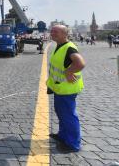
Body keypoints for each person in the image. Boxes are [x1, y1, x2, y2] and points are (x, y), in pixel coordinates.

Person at [46, 25, 86, 153]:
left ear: (65, 34)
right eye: (52, 31)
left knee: (68, 115)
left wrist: (69, 72)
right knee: (61, 112)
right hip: (60, 88)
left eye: (56, 31)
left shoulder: (69, 48)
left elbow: (80, 63)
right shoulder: (58, 45)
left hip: (67, 89)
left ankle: (73, 143)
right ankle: (63, 135)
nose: (52, 33)